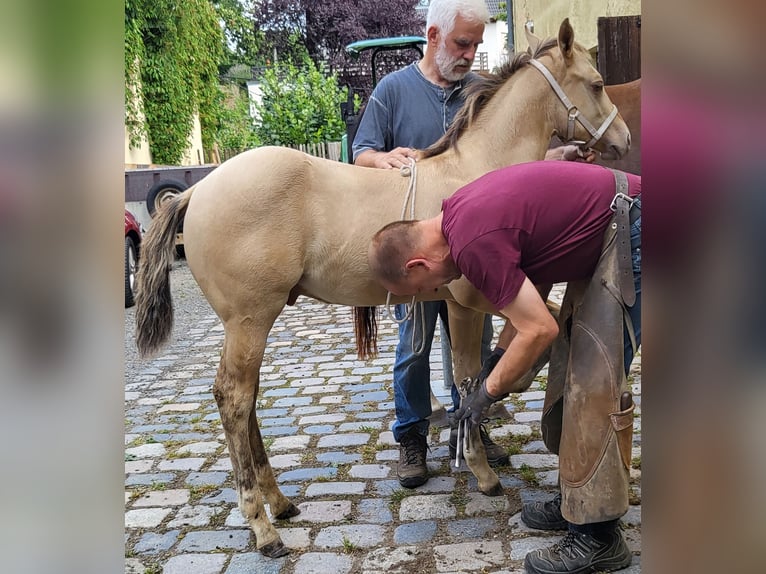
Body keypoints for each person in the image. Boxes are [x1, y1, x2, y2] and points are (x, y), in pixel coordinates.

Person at [368, 160, 641, 574]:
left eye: (427, 287)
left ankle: (599, 536)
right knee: (572, 368)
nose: (438, 290)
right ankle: (579, 499)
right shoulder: (458, 213)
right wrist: (496, 358)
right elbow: (534, 283)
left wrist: (485, 395)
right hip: (616, 227)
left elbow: (537, 329)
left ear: (417, 265)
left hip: (638, 229)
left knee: (594, 382)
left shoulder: (472, 242)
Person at [352, 0, 505, 488]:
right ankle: (412, 436)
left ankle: (469, 427)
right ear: (434, 36)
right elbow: (361, 154)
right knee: (413, 347)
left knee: (475, 346)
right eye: (463, 43)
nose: (470, 54)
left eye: (477, 44)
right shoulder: (393, 90)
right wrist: (382, 160)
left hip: (473, 251)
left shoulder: (481, 94)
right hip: (419, 255)